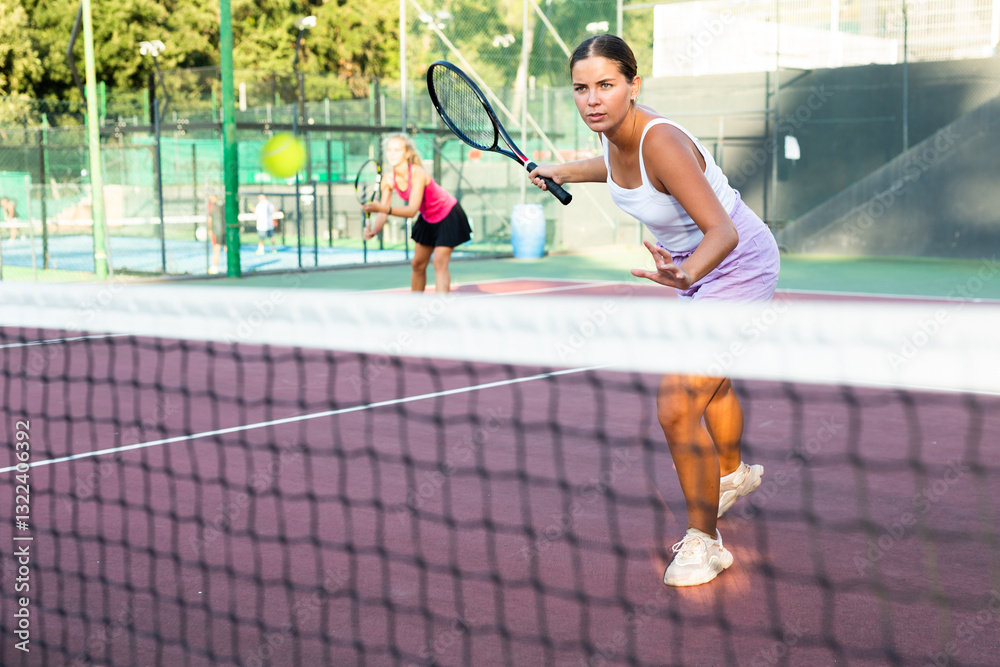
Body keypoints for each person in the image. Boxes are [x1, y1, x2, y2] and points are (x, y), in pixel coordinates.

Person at [529, 34, 780, 587]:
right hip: (698, 268)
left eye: (606, 85)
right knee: (710, 382)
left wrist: (688, 274)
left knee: (674, 405)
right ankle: (732, 474)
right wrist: (562, 170)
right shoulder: (617, 140)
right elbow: (618, 171)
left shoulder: (660, 141)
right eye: (580, 88)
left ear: (633, 85)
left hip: (733, 266)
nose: (592, 98)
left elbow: (725, 231)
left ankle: (705, 542)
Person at [362, 134, 472, 293]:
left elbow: (411, 210)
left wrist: (381, 208)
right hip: (428, 218)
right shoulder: (388, 180)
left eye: (397, 150)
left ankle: (442, 312)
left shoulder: (417, 173)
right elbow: (383, 212)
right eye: (389, 150)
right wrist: (373, 230)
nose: (392, 153)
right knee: (417, 264)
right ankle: (415, 305)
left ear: (407, 153)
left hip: (448, 214)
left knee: (439, 262)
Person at [208, 194, 225, 274]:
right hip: (225, 231)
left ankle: (214, 267)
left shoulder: (213, 206)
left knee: (216, 249)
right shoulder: (225, 205)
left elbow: (210, 219)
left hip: (218, 231)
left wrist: (210, 229)